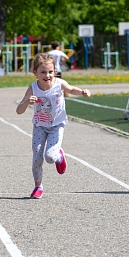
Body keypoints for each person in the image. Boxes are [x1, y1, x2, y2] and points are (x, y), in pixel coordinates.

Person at [15, 52, 91, 199]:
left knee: (50, 157)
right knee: (37, 158)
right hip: (39, 127)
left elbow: (71, 89)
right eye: (43, 72)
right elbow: (19, 110)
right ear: (35, 72)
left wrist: (82, 92)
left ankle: (59, 156)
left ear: (55, 71)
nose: (47, 75)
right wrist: (26, 102)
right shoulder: (33, 88)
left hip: (56, 125)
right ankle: (38, 186)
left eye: (50, 72)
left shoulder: (59, 84)